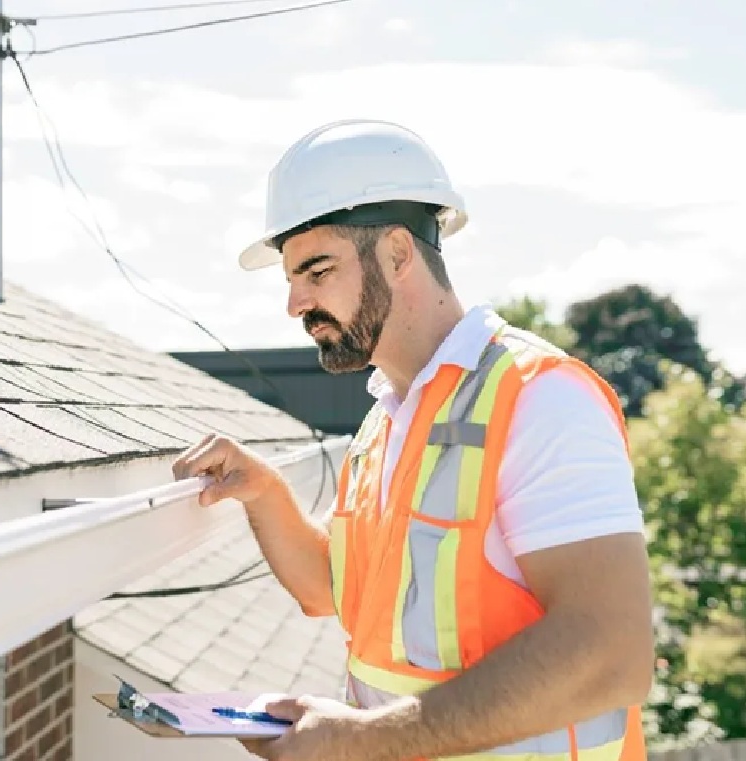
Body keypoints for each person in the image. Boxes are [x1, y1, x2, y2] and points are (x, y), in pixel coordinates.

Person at [172, 119, 656, 761]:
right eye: (291, 279)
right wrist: (264, 492)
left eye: (317, 271)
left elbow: (611, 655)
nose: (294, 303)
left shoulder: (540, 398)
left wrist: (361, 739)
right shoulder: (388, 420)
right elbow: (332, 590)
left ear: (399, 254)